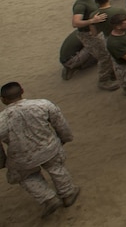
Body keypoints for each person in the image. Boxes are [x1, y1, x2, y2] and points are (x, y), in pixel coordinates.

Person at [0, 82, 79, 218]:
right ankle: (68, 193)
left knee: (27, 177)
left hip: (22, 157)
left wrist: (2, 161)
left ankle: (48, 198)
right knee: (56, 168)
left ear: (3, 99)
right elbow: (60, 123)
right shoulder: (43, 104)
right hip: (49, 148)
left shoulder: (2, 120)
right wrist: (65, 137)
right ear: (22, 91)